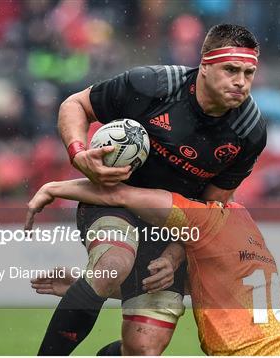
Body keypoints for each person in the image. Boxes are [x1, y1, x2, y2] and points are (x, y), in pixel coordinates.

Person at [40, 24, 266, 355]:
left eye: (249, 72)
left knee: (142, 350)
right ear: (204, 66)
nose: (240, 82)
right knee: (112, 266)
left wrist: (175, 254)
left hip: (170, 228)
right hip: (111, 202)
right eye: (230, 69)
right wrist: (78, 154)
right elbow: (76, 105)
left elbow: (211, 207)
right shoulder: (152, 86)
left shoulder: (249, 132)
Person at [26, 179, 280, 356]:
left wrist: (54, 189)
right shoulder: (245, 222)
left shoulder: (202, 217)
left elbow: (119, 195)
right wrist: (88, 285)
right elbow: (209, 287)